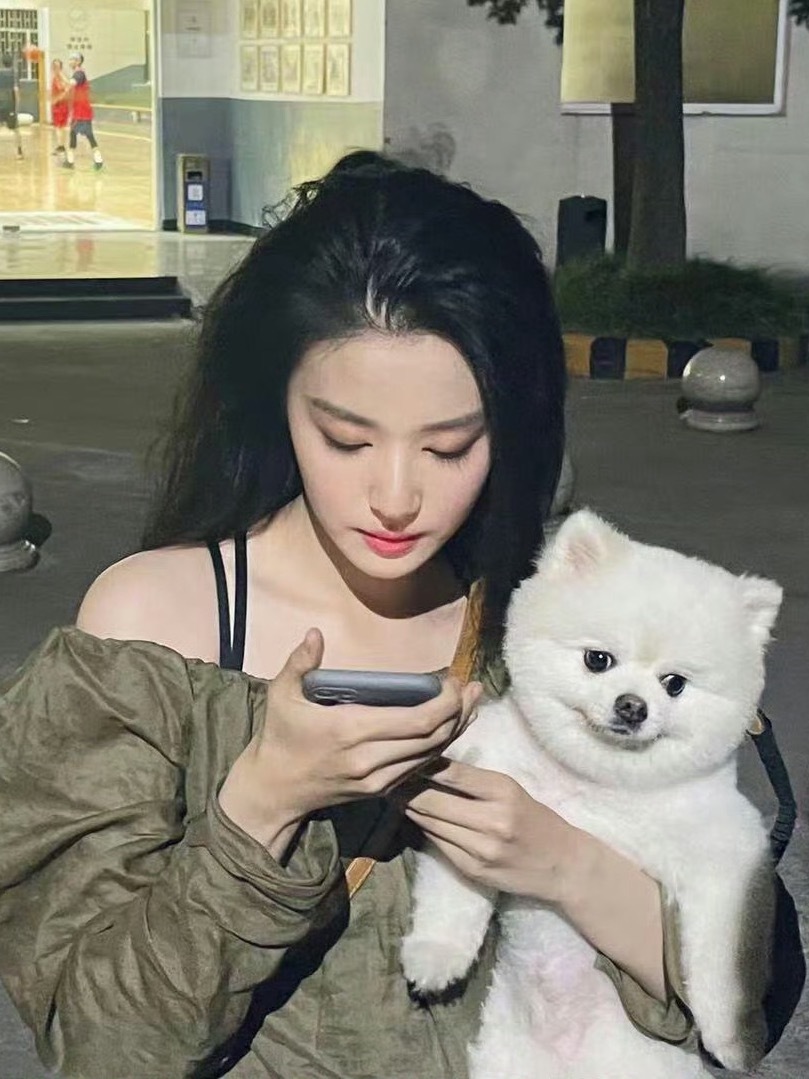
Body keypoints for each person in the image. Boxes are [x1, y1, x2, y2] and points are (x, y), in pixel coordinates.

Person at [0, 153, 803, 1079]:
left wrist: (563, 863)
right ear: (276, 405)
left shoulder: (548, 634)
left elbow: (749, 992)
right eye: (345, 438)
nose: (394, 497)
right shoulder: (154, 622)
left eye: (450, 446)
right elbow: (100, 1044)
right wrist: (264, 800)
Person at [63, 51, 103, 171]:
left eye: (72, 59)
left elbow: (71, 83)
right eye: (70, 59)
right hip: (79, 110)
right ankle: (71, 160)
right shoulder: (77, 73)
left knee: (87, 135)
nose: (70, 61)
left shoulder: (79, 73)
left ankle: (98, 160)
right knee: (74, 134)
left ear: (78, 61)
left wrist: (60, 75)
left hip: (82, 111)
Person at [0, 52, 23, 160]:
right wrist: (17, 105)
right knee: (16, 129)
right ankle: (19, 152)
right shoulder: (14, 74)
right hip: (10, 105)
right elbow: (16, 90)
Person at [49, 57, 70, 158]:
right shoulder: (63, 76)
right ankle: (61, 146)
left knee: (58, 127)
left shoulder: (58, 78)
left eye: (55, 66)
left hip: (59, 105)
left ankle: (61, 147)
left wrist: (57, 99)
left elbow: (65, 89)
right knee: (61, 127)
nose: (54, 68)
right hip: (63, 105)